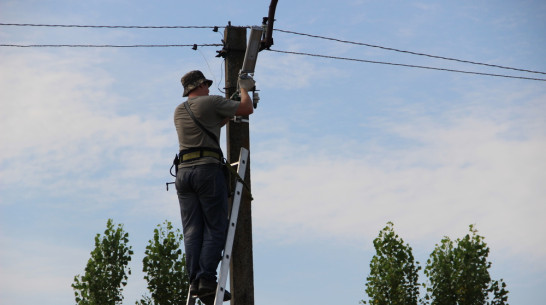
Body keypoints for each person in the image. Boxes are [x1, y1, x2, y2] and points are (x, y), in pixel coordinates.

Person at [173, 70, 254, 303]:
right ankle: (207, 279)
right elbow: (247, 109)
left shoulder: (179, 111)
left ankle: (195, 279)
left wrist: (230, 108)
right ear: (199, 85)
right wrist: (245, 90)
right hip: (207, 171)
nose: (209, 88)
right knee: (216, 226)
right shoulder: (211, 102)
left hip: (184, 174)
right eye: (206, 85)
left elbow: (213, 122)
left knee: (192, 231)